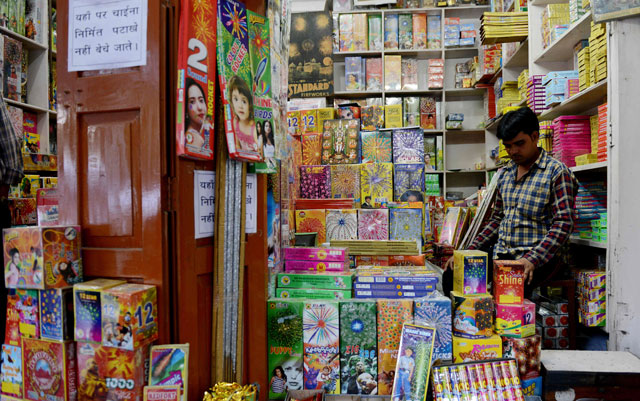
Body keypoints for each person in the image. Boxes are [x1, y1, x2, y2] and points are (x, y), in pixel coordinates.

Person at [444, 107, 578, 296]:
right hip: (503, 255)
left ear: (534, 136)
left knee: (510, 291)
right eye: (508, 146)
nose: (513, 151)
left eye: (519, 143)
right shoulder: (505, 174)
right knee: (453, 272)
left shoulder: (556, 173)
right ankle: (464, 324)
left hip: (539, 258)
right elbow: (497, 220)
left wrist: (533, 259)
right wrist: (468, 251)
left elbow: (563, 224)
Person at [228, 76, 258, 153]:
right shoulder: (236, 122)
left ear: (250, 105)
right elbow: (237, 145)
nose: (240, 106)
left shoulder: (254, 128)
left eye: (244, 101)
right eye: (236, 99)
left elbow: (260, 152)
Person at [184, 78, 211, 151]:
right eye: (192, 102)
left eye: (201, 100)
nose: (199, 107)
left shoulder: (191, 135)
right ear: (185, 109)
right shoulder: (196, 139)